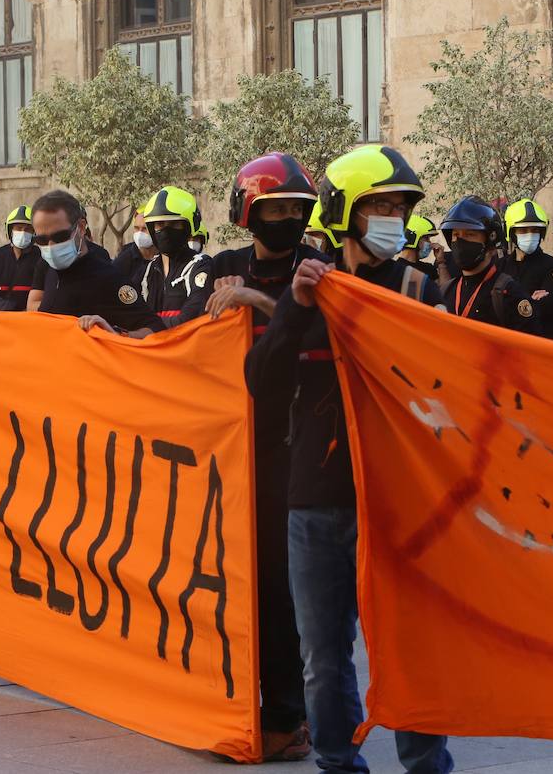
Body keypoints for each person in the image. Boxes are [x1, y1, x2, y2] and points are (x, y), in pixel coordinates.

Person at [246, 145, 451, 774]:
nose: (392, 217)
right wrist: (294, 312)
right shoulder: (312, 289)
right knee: (324, 658)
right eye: (379, 206)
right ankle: (338, 764)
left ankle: (427, 767)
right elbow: (263, 382)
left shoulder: (420, 289)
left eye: (399, 206)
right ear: (344, 214)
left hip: (401, 499)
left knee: (412, 653)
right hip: (315, 498)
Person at [207, 153, 323, 762]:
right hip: (224, 455)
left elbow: (322, 337)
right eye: (272, 209)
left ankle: (287, 717)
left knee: (282, 592)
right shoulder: (219, 268)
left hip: (292, 452)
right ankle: (223, 706)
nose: (283, 220)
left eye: (294, 211)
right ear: (247, 212)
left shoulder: (317, 272)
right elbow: (177, 333)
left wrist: (257, 301)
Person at [20, 190, 164, 336]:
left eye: (60, 237)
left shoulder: (108, 277)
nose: (51, 247)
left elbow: (155, 328)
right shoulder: (47, 268)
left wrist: (116, 333)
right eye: (42, 240)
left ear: (81, 228)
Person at [437, 196, 540, 332]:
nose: (460, 241)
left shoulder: (509, 295)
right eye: (456, 234)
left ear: (490, 242)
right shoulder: (446, 292)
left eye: (469, 234)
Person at [143, 186, 214, 326]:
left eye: (175, 224)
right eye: (160, 224)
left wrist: (147, 328)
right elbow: (133, 315)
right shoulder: (149, 270)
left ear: (189, 226)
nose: (166, 231)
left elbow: (191, 318)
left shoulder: (200, 265)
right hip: (151, 347)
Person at [499, 199, 553, 338]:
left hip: (540, 342)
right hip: (506, 341)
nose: (530, 235)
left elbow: (546, 309)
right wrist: (530, 300)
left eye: (535, 230)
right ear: (511, 232)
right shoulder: (499, 266)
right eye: (523, 230)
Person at [112, 211, 161, 303]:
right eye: (136, 228)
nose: (139, 233)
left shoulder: (165, 257)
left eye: (144, 229)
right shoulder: (124, 260)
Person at [398, 214, 441, 281]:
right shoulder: (395, 271)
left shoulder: (429, 269)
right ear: (412, 238)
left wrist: (441, 262)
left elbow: (445, 290)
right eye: (426, 238)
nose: (430, 243)